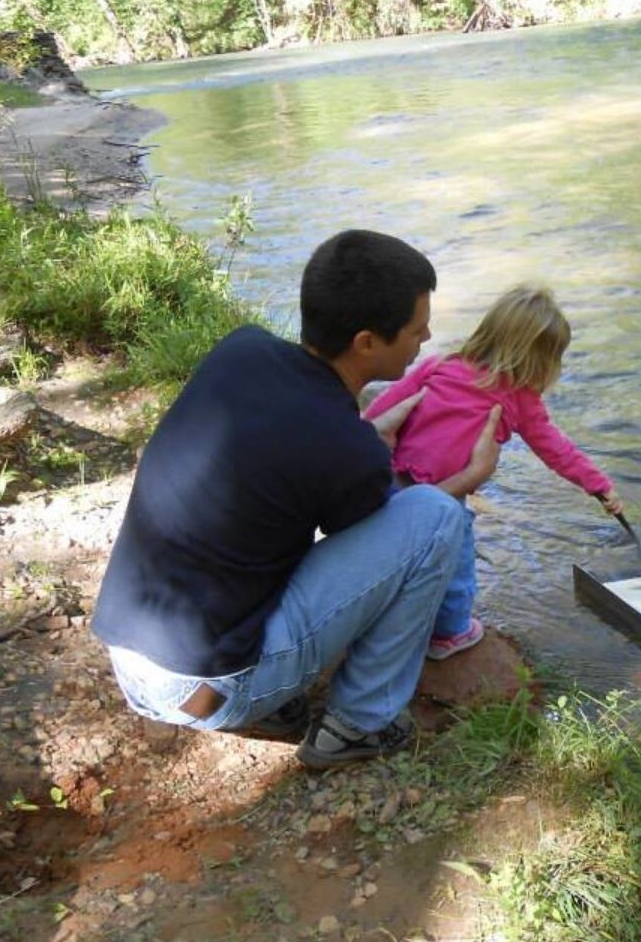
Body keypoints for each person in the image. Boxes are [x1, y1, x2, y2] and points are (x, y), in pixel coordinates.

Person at [91, 229, 502, 770]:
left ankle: (276, 700)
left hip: (131, 659)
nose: (427, 338)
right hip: (207, 689)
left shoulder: (242, 349)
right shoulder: (346, 448)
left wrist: (365, 438)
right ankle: (359, 725)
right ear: (366, 342)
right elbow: (406, 535)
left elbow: (303, 444)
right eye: (416, 329)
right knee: (438, 515)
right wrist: (468, 477)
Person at [363, 284, 622, 660]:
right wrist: (599, 486)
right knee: (457, 564)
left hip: (389, 478)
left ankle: (378, 612)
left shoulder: (440, 365)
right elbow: (557, 450)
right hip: (447, 495)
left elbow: (381, 409)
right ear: (540, 360)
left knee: (391, 554)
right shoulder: (520, 398)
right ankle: (450, 633)